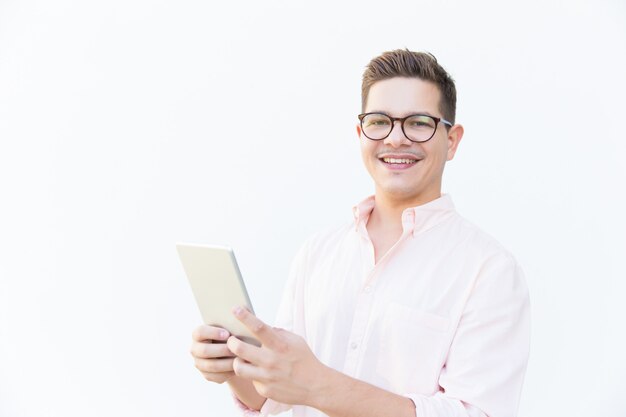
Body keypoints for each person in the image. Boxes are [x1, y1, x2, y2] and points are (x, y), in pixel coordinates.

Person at [190, 49, 530, 417]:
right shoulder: (318, 252)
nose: (396, 139)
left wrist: (320, 385)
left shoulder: (489, 270)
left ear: (451, 140)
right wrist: (233, 367)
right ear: (361, 133)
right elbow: (280, 399)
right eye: (379, 121)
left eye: (418, 122)